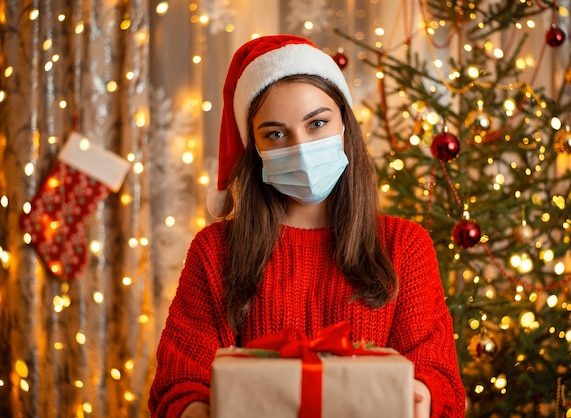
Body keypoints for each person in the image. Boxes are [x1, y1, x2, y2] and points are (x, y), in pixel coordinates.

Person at [149, 34, 465, 418]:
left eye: (316, 123)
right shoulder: (216, 250)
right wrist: (194, 409)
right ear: (256, 149)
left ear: (345, 126)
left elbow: (440, 378)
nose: (300, 147)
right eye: (276, 134)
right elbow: (179, 382)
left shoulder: (404, 246)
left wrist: (422, 395)